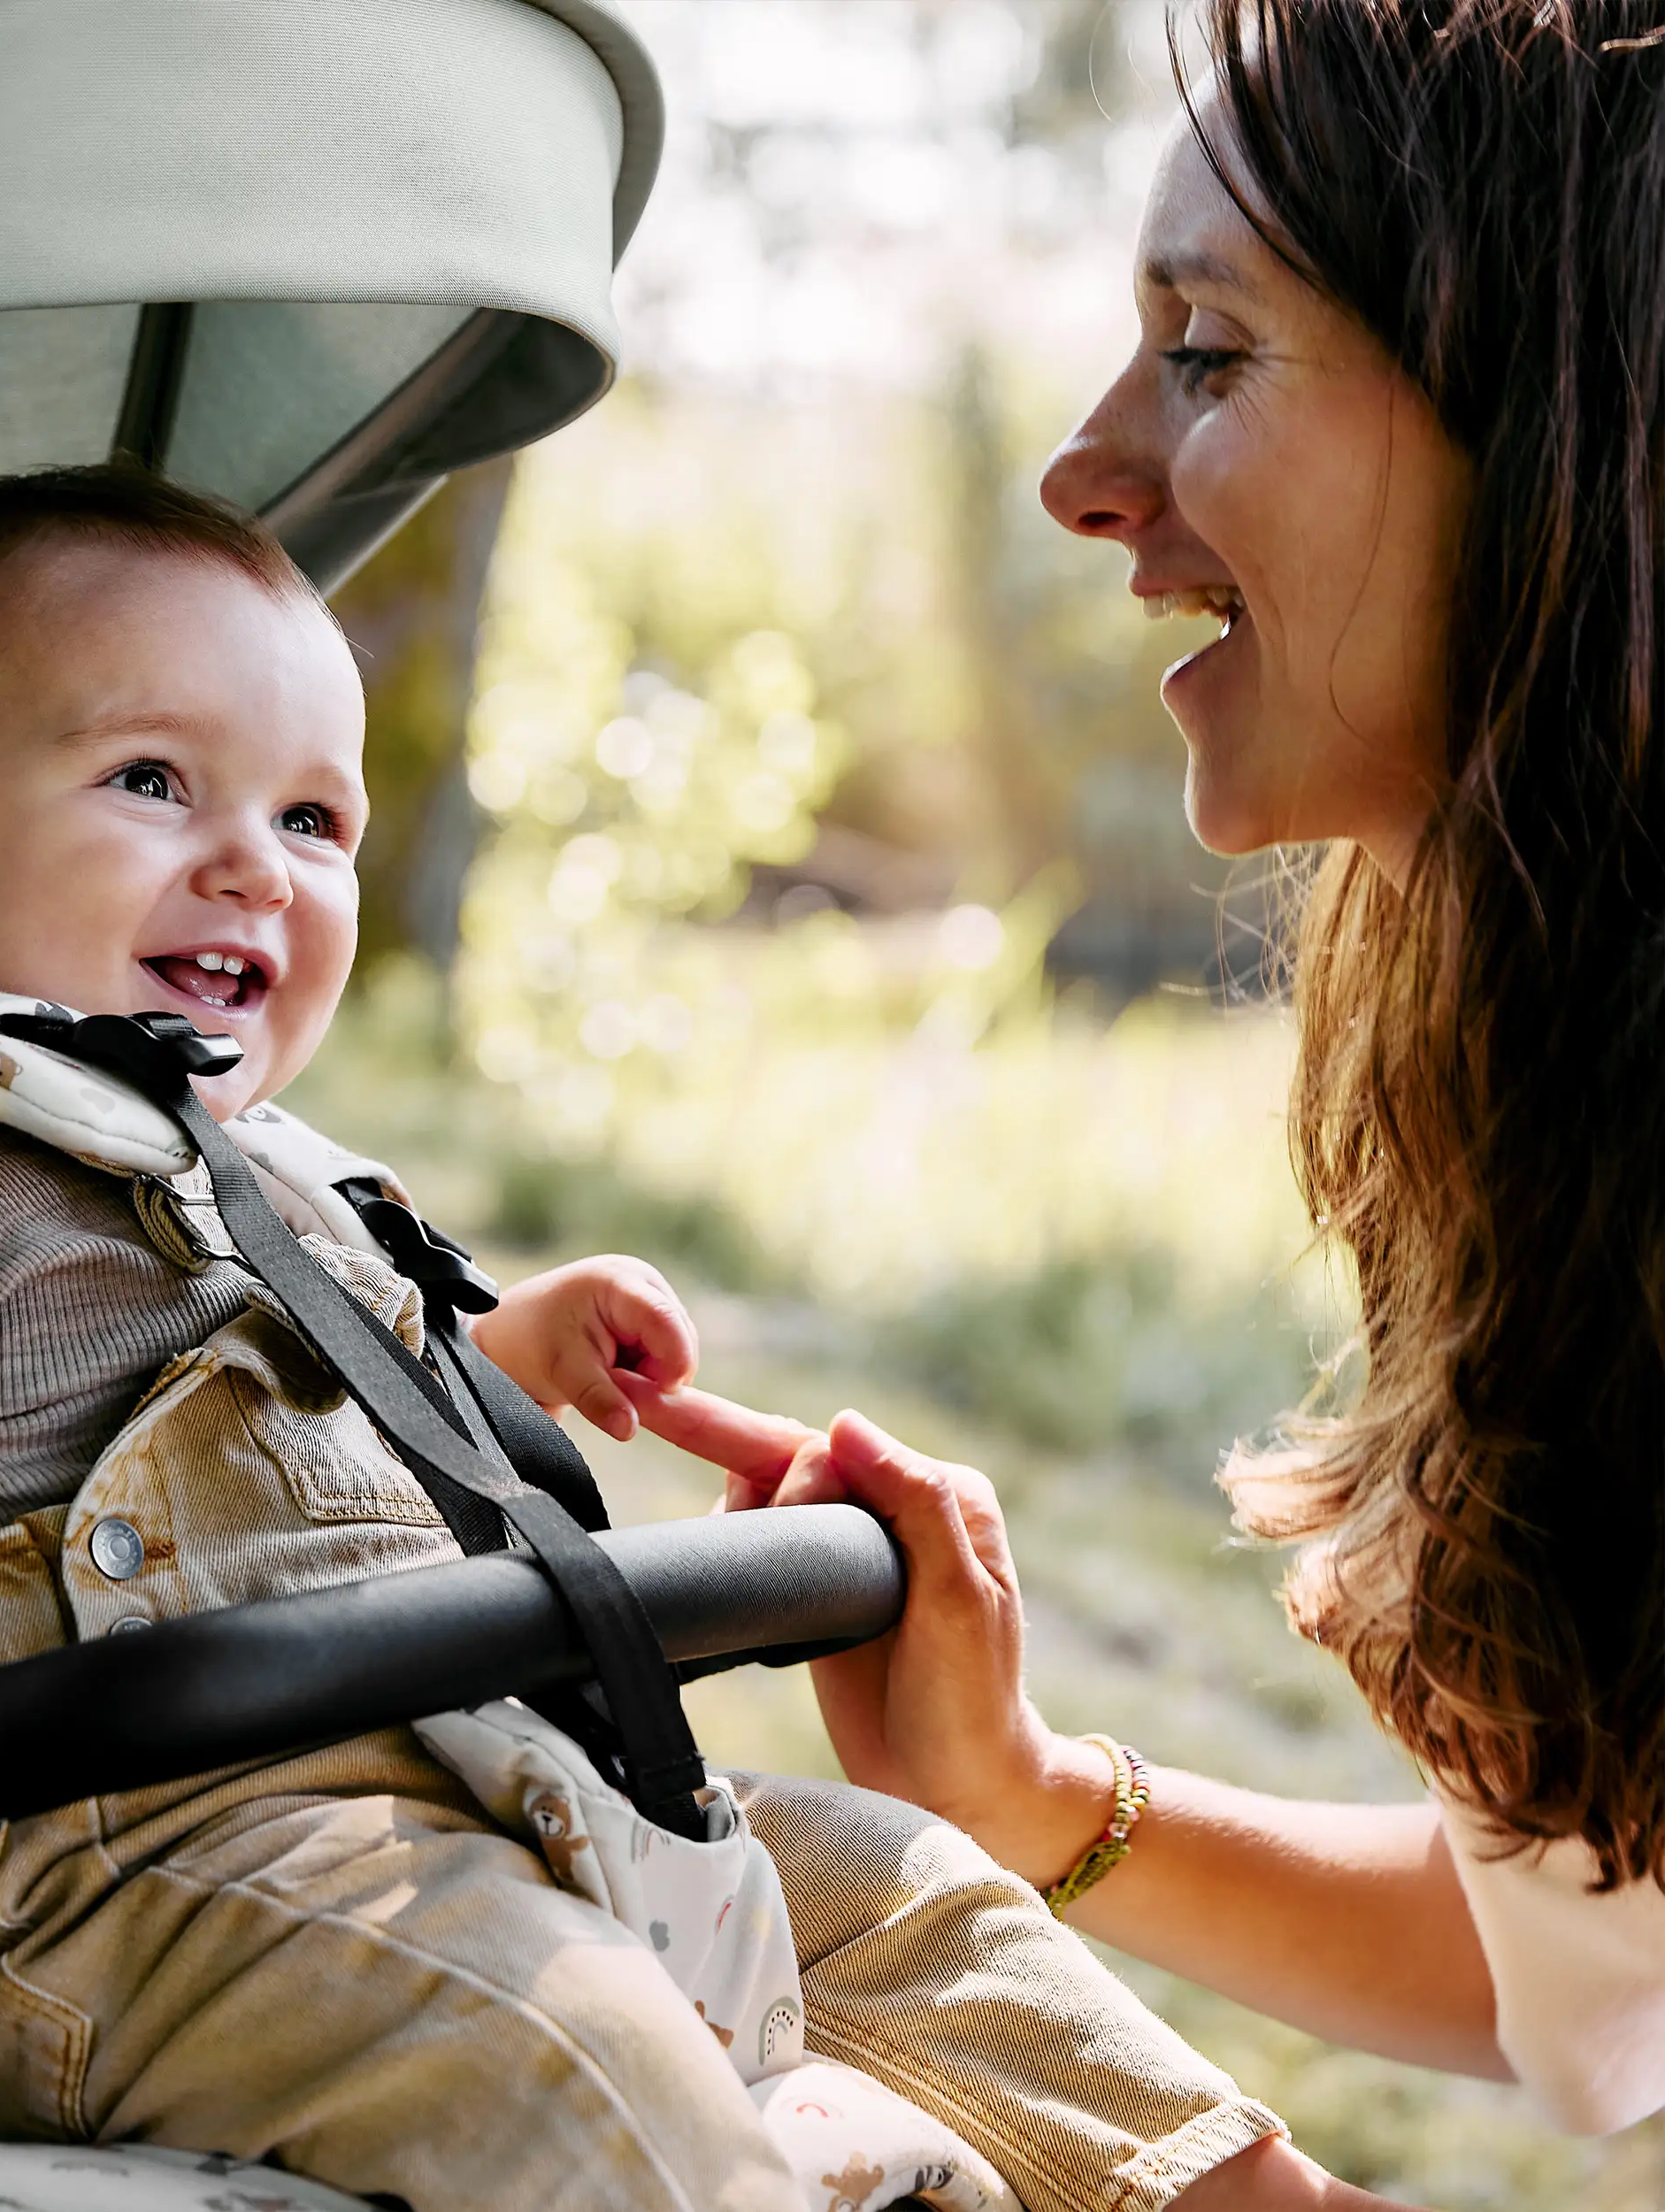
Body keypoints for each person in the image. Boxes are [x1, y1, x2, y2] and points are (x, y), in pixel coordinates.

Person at [0, 465, 1373, 2210]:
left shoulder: (263, 1170)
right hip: (126, 1864)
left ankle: (1253, 2192)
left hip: (478, 1771)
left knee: (903, 1884)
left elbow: (297, 1450)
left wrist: (497, 1354)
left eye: (311, 818)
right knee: (559, 2044)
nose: (256, 869)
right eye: (150, 779)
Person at [628, 0, 1665, 2154]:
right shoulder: (1550, 1110)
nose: (1082, 470)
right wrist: (1021, 1800)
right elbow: (1596, 1950)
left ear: (1573, 415)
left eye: (1205, 350)